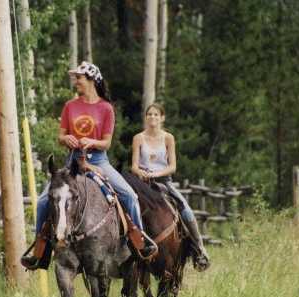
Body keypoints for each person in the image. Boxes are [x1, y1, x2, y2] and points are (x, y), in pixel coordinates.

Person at [22, 61, 158, 270]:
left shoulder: (106, 108)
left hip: (99, 161)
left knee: (129, 196)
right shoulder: (70, 106)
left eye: (79, 78)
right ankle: (40, 249)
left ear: (92, 80)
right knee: (42, 202)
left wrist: (92, 142)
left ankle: (139, 241)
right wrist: (66, 138)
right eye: (75, 77)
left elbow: (106, 142)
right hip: (72, 162)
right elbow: (60, 135)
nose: (75, 81)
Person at [131, 102, 209, 265]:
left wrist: (156, 173)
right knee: (125, 206)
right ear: (146, 117)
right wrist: (142, 173)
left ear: (162, 118)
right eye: (149, 114)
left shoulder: (168, 138)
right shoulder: (138, 138)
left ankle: (200, 250)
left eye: (156, 114)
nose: (152, 117)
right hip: (142, 183)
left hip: (163, 182)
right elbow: (134, 166)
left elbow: (172, 166)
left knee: (186, 209)